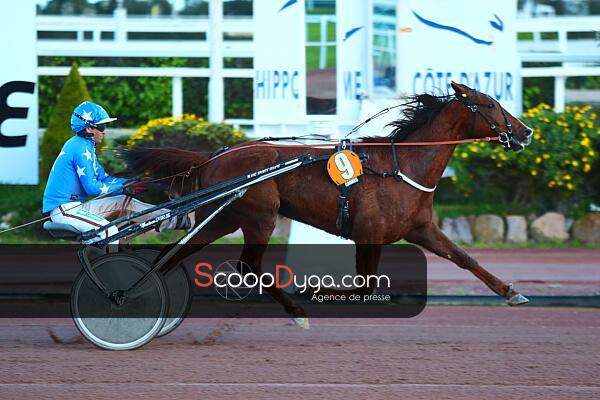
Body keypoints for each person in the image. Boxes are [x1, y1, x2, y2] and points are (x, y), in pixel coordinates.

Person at [42, 101, 190, 244]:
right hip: (65, 211)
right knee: (108, 231)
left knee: (123, 201)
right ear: (88, 129)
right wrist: (123, 188)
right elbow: (91, 187)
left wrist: (129, 183)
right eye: (101, 126)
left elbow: (103, 178)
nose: (104, 131)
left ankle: (171, 218)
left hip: (75, 207)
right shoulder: (79, 148)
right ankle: (110, 261)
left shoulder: (85, 146)